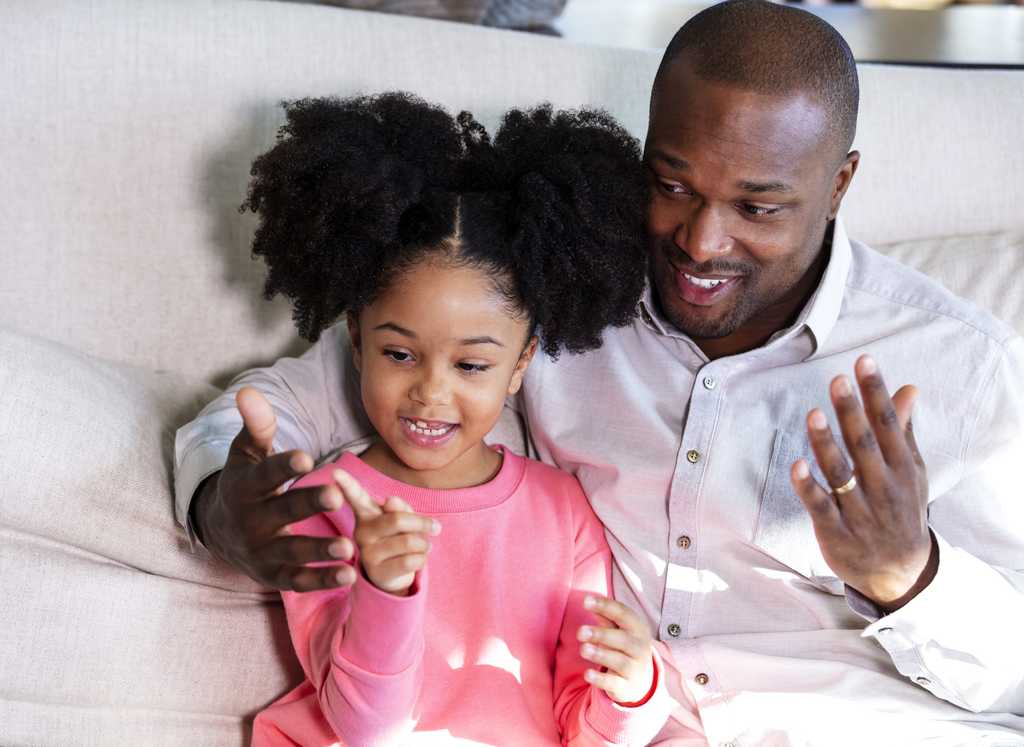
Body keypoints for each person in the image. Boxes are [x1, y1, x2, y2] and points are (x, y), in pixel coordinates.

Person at [175, 1, 1024, 743]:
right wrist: (224, 508)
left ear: (839, 183)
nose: (702, 241)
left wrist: (907, 575)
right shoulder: (558, 283)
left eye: (758, 208)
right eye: (673, 184)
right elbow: (278, 408)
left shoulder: (955, 363)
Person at [233, 92, 704, 745]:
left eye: (472, 366)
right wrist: (384, 588)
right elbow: (365, 725)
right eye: (400, 353)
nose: (430, 392)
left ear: (520, 364)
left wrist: (632, 690)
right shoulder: (327, 502)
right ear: (356, 338)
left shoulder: (564, 512)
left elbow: (587, 732)